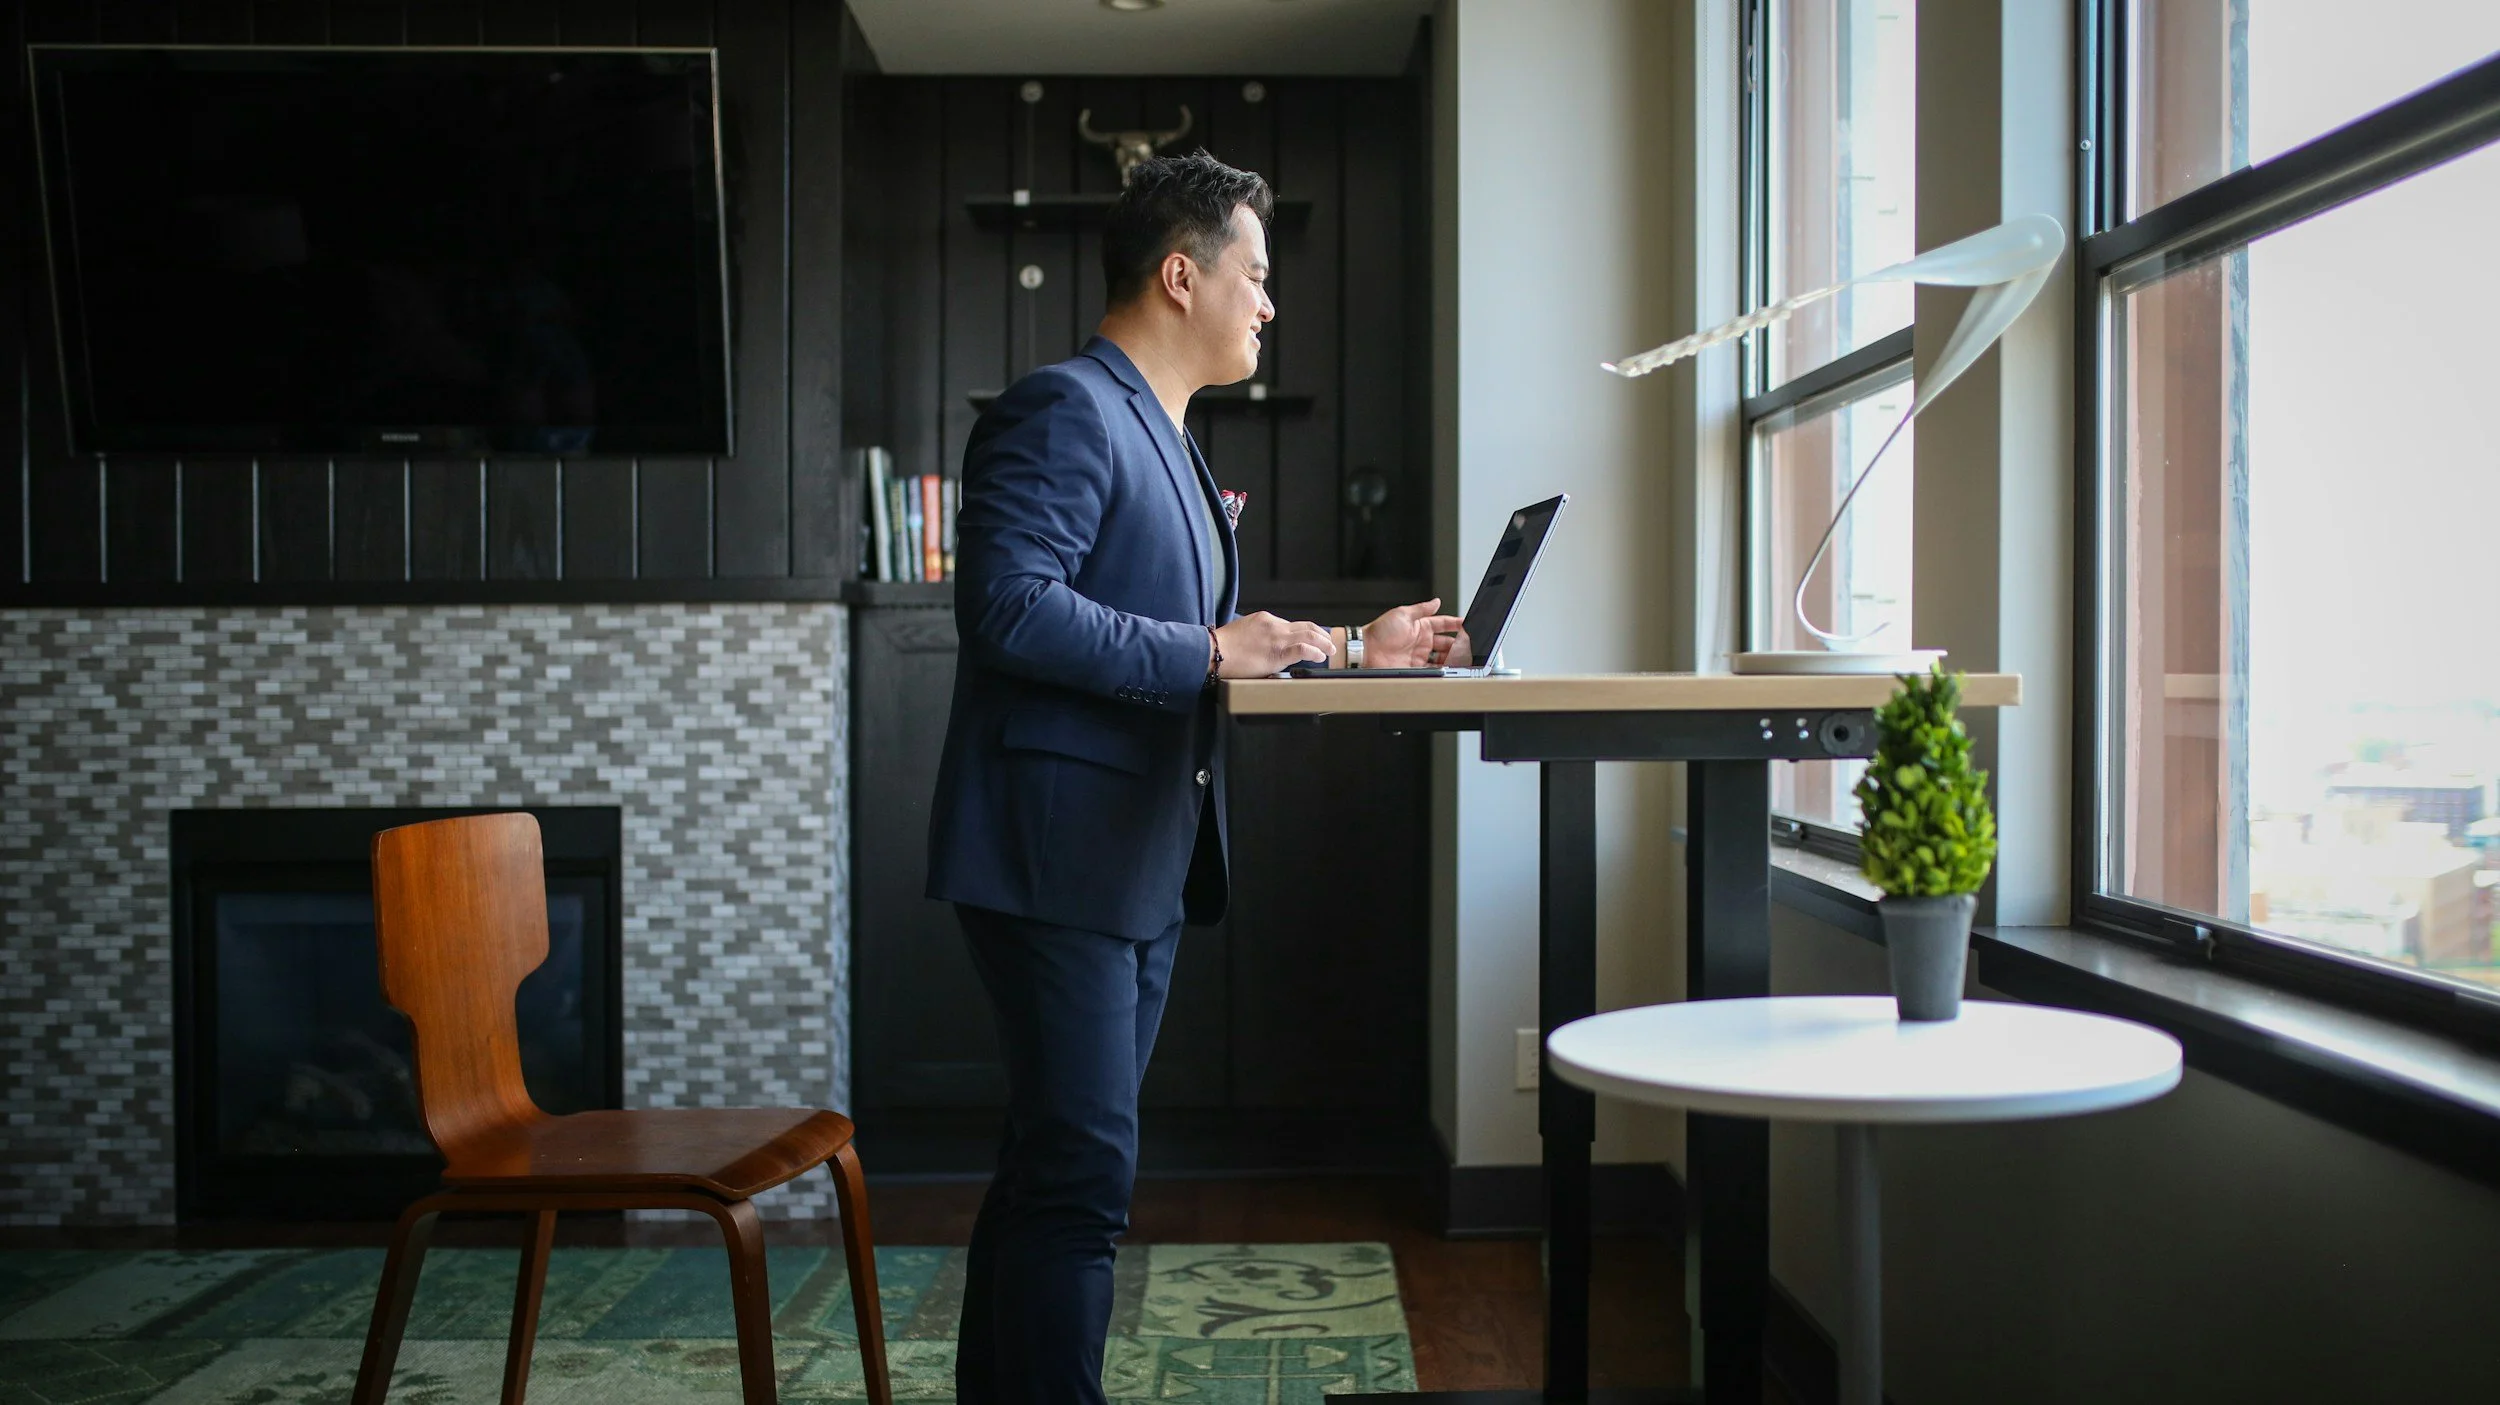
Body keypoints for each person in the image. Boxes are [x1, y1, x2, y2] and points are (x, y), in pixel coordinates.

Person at [924, 149, 1462, 1404]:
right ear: (1182, 275)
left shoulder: (1158, 430)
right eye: (1256, 276)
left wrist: (1345, 648)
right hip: (1057, 855)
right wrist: (1212, 647)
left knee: (1053, 1165)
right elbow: (1005, 610)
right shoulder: (1066, 408)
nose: (1269, 304)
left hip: (1137, 860)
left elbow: (1208, 644)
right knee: (1081, 1177)